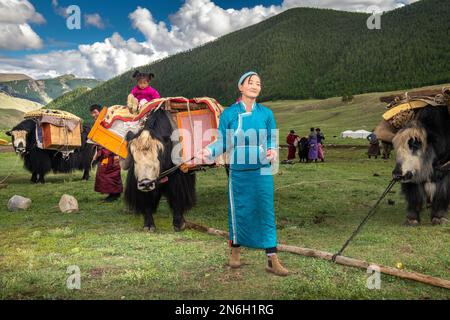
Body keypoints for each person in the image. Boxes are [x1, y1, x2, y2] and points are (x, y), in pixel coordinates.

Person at [197, 71, 289, 276]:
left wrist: (273, 150)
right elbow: (223, 141)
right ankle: (235, 253)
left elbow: (272, 139)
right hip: (238, 171)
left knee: (266, 211)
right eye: (250, 82)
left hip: (262, 169)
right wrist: (209, 151)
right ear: (241, 87)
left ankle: (272, 259)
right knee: (238, 210)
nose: (255, 86)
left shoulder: (266, 114)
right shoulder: (229, 114)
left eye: (258, 83)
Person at [90, 104, 123, 202]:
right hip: (104, 151)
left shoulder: (108, 122)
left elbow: (115, 137)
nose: (93, 115)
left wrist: (116, 153)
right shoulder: (99, 123)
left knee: (110, 172)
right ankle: (113, 193)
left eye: (95, 112)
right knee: (105, 172)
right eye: (92, 113)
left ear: (101, 112)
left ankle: (114, 195)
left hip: (111, 152)